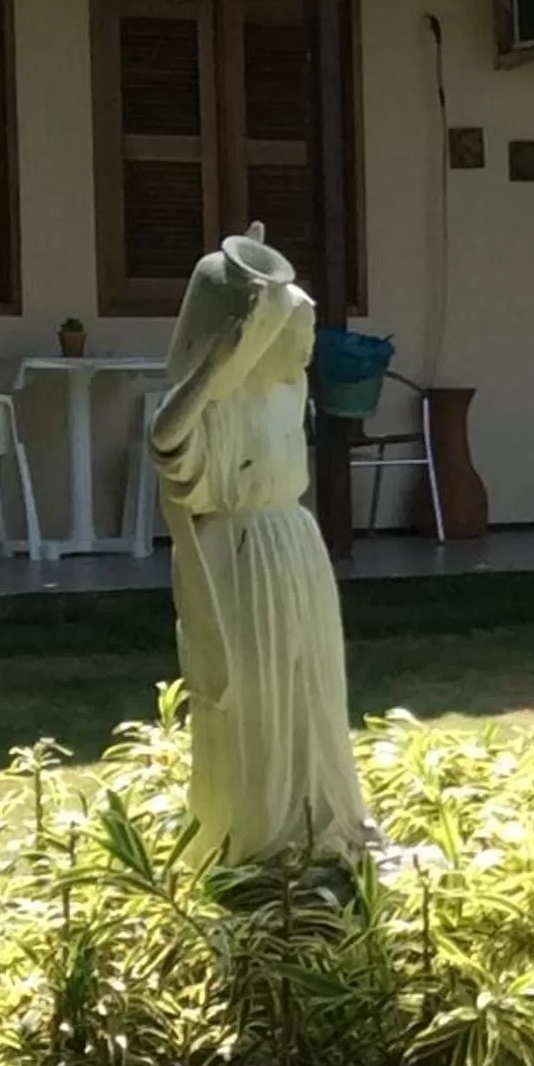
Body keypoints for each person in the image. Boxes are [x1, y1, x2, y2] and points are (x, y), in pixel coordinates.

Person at [150, 225, 366, 865]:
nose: (309, 345)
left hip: (292, 545)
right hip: (240, 559)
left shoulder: (289, 390)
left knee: (309, 688)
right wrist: (216, 366)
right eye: (299, 332)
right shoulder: (215, 403)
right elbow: (167, 443)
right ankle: (259, 831)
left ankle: (319, 817)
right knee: (253, 698)